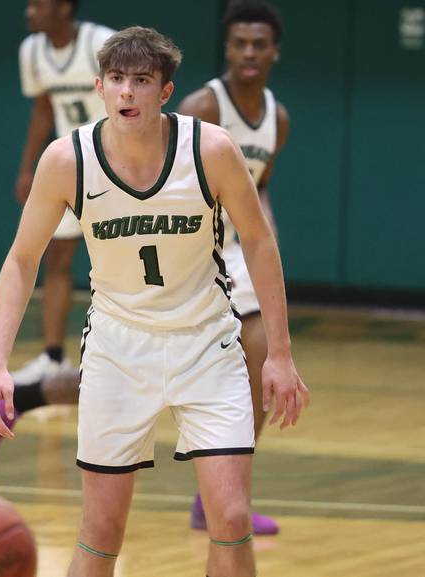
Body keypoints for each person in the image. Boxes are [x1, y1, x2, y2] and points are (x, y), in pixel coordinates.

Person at [0, 26, 309, 577]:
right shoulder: (67, 160)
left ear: (164, 92)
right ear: (99, 88)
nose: (127, 92)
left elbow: (257, 239)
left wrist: (279, 352)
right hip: (117, 347)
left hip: (207, 341)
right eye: (116, 80)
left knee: (230, 517)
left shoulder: (210, 150)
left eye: (141, 80)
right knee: (101, 531)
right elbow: (20, 260)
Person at [0, 0, 113, 466]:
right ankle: (53, 356)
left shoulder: (99, 43)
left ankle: (46, 380)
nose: (29, 11)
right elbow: (42, 110)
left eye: (39, 3)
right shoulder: (32, 50)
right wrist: (29, 166)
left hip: (116, 165)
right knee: (56, 259)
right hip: (72, 165)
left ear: (65, 7)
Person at [176, 0, 289, 536]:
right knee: (141, 381)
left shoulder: (277, 118)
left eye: (258, 44)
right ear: (227, 48)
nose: (248, 52)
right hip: (186, 255)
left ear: (274, 52)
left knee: (261, 355)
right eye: (239, 42)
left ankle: (220, 498)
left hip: (235, 257)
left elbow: (259, 184)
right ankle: (26, 396)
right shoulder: (204, 106)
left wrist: (263, 230)